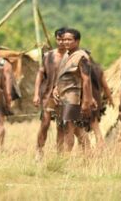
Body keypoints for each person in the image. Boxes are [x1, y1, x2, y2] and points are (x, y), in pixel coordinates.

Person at [54, 28, 96, 153]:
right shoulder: (67, 55)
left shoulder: (82, 56)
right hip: (63, 97)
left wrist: (86, 102)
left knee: (68, 127)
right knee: (77, 128)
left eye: (69, 39)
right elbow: (63, 75)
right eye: (64, 39)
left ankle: (66, 158)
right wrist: (56, 89)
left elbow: (86, 80)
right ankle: (88, 155)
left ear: (77, 41)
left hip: (73, 97)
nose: (66, 42)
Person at [33, 27, 66, 158]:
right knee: (45, 123)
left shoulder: (71, 56)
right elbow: (40, 74)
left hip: (65, 95)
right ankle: (39, 150)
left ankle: (60, 154)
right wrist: (36, 94)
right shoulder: (48, 55)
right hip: (48, 94)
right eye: (59, 39)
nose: (62, 42)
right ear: (56, 39)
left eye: (64, 40)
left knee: (61, 125)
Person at [87, 53, 113, 149]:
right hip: (97, 99)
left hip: (86, 99)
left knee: (83, 127)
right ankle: (100, 149)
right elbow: (105, 87)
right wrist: (110, 99)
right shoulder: (98, 69)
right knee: (95, 126)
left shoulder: (83, 70)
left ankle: (90, 150)